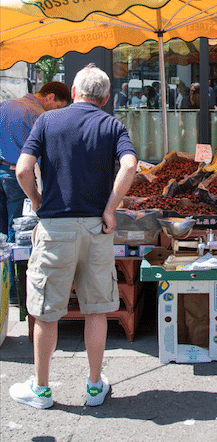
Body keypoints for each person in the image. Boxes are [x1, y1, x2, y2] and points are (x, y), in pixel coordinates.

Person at [9, 64, 137, 410]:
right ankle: (95, 387)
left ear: (74, 90)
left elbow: (22, 169)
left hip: (56, 229)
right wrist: (111, 209)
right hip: (97, 228)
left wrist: (37, 201)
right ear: (106, 98)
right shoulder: (112, 125)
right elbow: (129, 166)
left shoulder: (47, 121)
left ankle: (41, 390)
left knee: (47, 312)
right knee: (96, 310)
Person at [0, 81, 71, 302]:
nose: (57, 113)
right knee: (19, 233)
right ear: (49, 97)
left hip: (2, 172)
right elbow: (40, 157)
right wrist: (39, 194)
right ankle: (16, 292)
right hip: (18, 176)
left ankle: (5, 288)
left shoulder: (6, 105)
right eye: (58, 107)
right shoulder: (37, 115)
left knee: (3, 233)